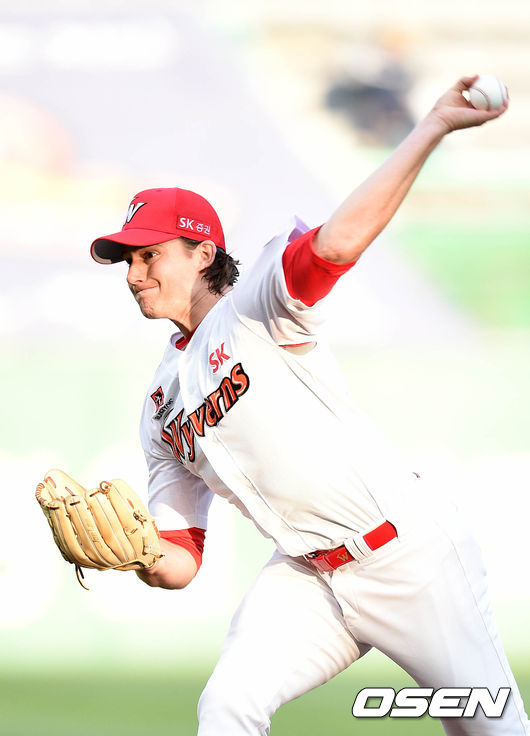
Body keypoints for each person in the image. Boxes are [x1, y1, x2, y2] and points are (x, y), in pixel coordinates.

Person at [90, 76, 528, 735]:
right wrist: (139, 556)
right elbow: (181, 557)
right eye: (126, 260)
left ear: (204, 253)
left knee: (493, 728)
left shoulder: (254, 307)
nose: (134, 274)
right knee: (228, 705)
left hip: (408, 557)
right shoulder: (160, 405)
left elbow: (336, 246)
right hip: (308, 576)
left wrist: (433, 125)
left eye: (149, 255)